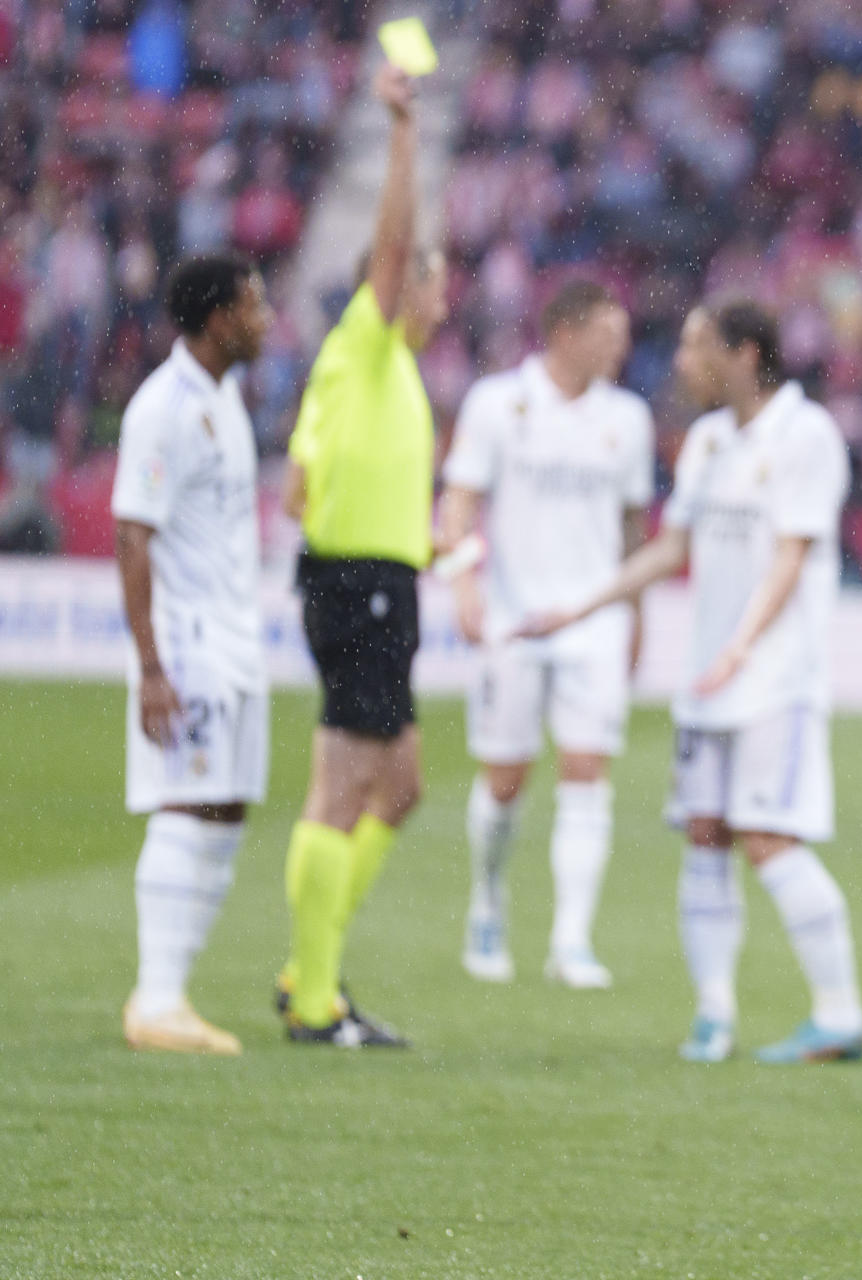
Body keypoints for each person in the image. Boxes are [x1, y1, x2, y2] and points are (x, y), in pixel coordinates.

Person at [522, 300, 862, 1064]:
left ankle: (840, 1014)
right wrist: (578, 607)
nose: (680, 362)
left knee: (769, 837)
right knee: (705, 836)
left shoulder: (806, 437)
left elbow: (791, 557)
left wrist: (741, 647)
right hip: (709, 683)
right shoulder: (709, 441)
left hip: (774, 680)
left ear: (744, 353)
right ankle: (714, 1014)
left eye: (694, 347)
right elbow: (670, 547)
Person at [275, 64, 448, 1047]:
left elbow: (304, 485)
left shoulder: (370, 376)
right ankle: (313, 998)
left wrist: (418, 535)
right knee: (345, 785)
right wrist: (402, 133)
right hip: (361, 586)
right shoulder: (368, 341)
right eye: (429, 274)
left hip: (378, 578)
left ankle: (313, 963)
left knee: (402, 781)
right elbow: (390, 243)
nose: (438, 290)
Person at [439, 280, 654, 988]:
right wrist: (463, 583)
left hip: (594, 620)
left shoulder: (628, 418)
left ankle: (571, 939)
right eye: (609, 332)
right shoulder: (499, 404)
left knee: (588, 773)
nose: (621, 347)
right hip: (515, 619)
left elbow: (633, 530)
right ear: (565, 331)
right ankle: (487, 902)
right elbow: (460, 502)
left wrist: (637, 615)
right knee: (506, 780)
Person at [111, 252, 275, 1054]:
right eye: (254, 305)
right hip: (189, 642)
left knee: (227, 807)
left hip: (237, 639)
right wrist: (150, 667)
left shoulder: (225, 397)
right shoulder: (162, 408)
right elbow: (131, 535)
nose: (266, 317)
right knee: (186, 800)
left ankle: (174, 989)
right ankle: (156, 996)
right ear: (218, 319)